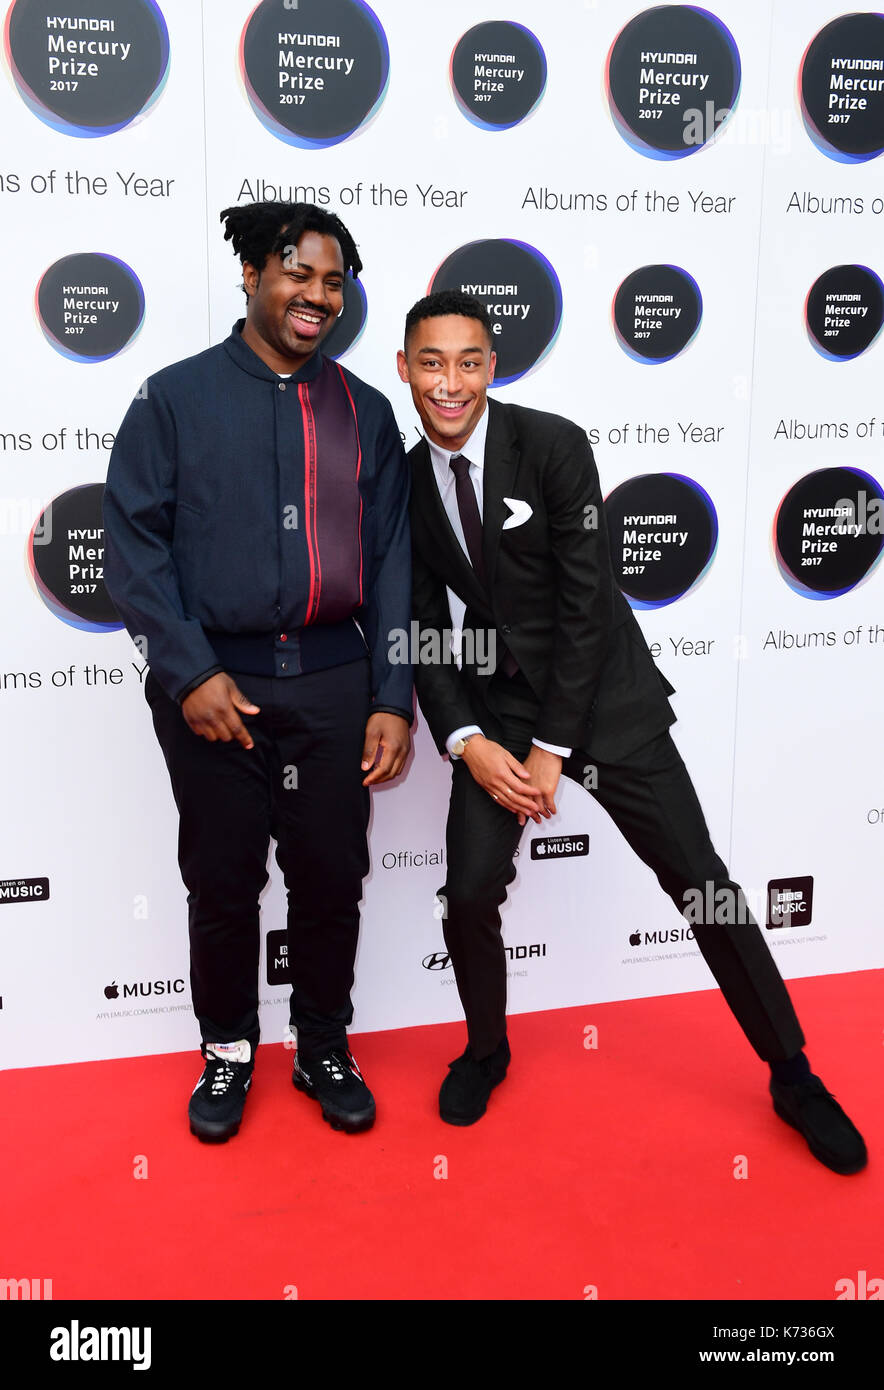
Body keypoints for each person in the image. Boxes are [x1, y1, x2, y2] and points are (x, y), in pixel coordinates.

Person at [397, 289, 866, 1174]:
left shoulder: (554, 445)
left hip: (603, 703)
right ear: (406, 370)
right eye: (432, 363)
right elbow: (420, 621)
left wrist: (551, 751)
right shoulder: (403, 476)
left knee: (702, 883)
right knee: (465, 893)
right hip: (496, 713)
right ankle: (487, 1050)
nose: (450, 383)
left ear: (492, 367)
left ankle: (794, 1074)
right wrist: (467, 739)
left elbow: (585, 609)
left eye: (468, 362)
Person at [103, 202, 412, 1142]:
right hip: (215, 689)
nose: (317, 294)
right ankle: (228, 1050)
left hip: (332, 681)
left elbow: (394, 559)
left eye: (332, 280)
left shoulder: (366, 410)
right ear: (250, 275)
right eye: (297, 273)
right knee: (223, 880)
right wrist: (188, 672)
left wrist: (393, 694)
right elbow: (132, 543)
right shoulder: (174, 399)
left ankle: (322, 1044)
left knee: (330, 877)